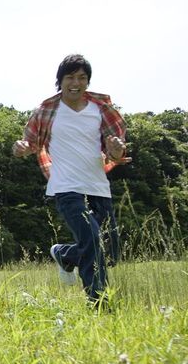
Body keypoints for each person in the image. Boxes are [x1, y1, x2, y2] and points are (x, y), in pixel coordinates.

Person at [12, 54, 129, 307]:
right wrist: (20, 148)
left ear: (87, 81)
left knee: (110, 252)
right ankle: (99, 304)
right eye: (70, 77)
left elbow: (116, 151)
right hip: (66, 187)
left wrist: (116, 148)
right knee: (93, 243)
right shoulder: (48, 110)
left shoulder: (101, 109)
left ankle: (64, 254)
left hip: (98, 186)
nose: (76, 83)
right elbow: (28, 143)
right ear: (60, 81)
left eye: (81, 78)